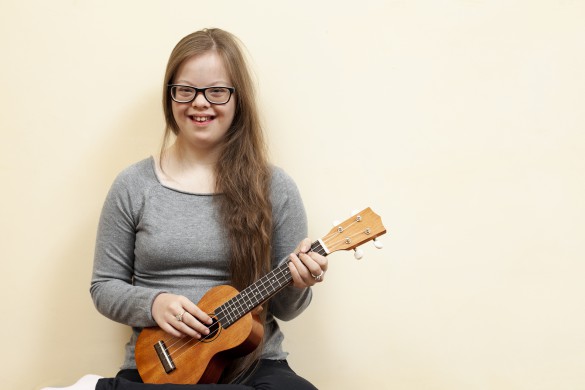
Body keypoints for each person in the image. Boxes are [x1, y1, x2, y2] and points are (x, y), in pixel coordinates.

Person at [88, 28, 327, 390]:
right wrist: (155, 303)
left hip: (254, 366)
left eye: (217, 91)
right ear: (170, 97)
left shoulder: (276, 188)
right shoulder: (133, 185)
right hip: (161, 369)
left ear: (238, 99)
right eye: (186, 90)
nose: (200, 102)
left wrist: (299, 282)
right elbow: (103, 286)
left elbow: (288, 310)